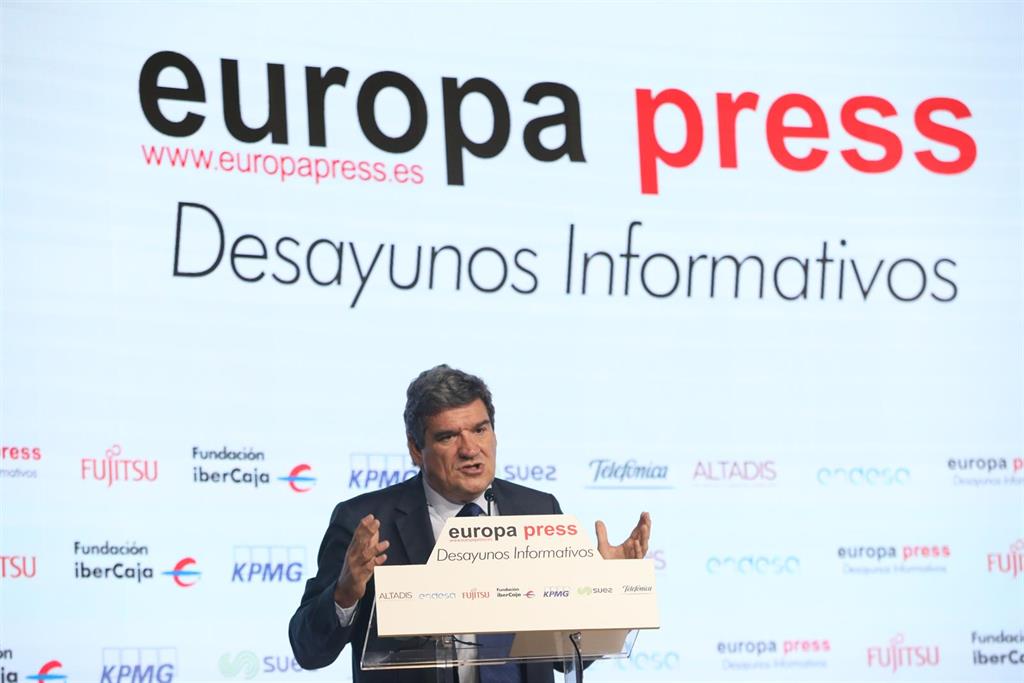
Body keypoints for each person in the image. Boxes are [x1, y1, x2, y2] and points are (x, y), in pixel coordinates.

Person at [289, 365, 652, 683]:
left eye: (480, 430)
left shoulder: (538, 510)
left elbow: (565, 655)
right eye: (448, 436)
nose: (470, 449)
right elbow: (309, 651)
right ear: (416, 449)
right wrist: (345, 594)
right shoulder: (366, 522)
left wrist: (609, 593)